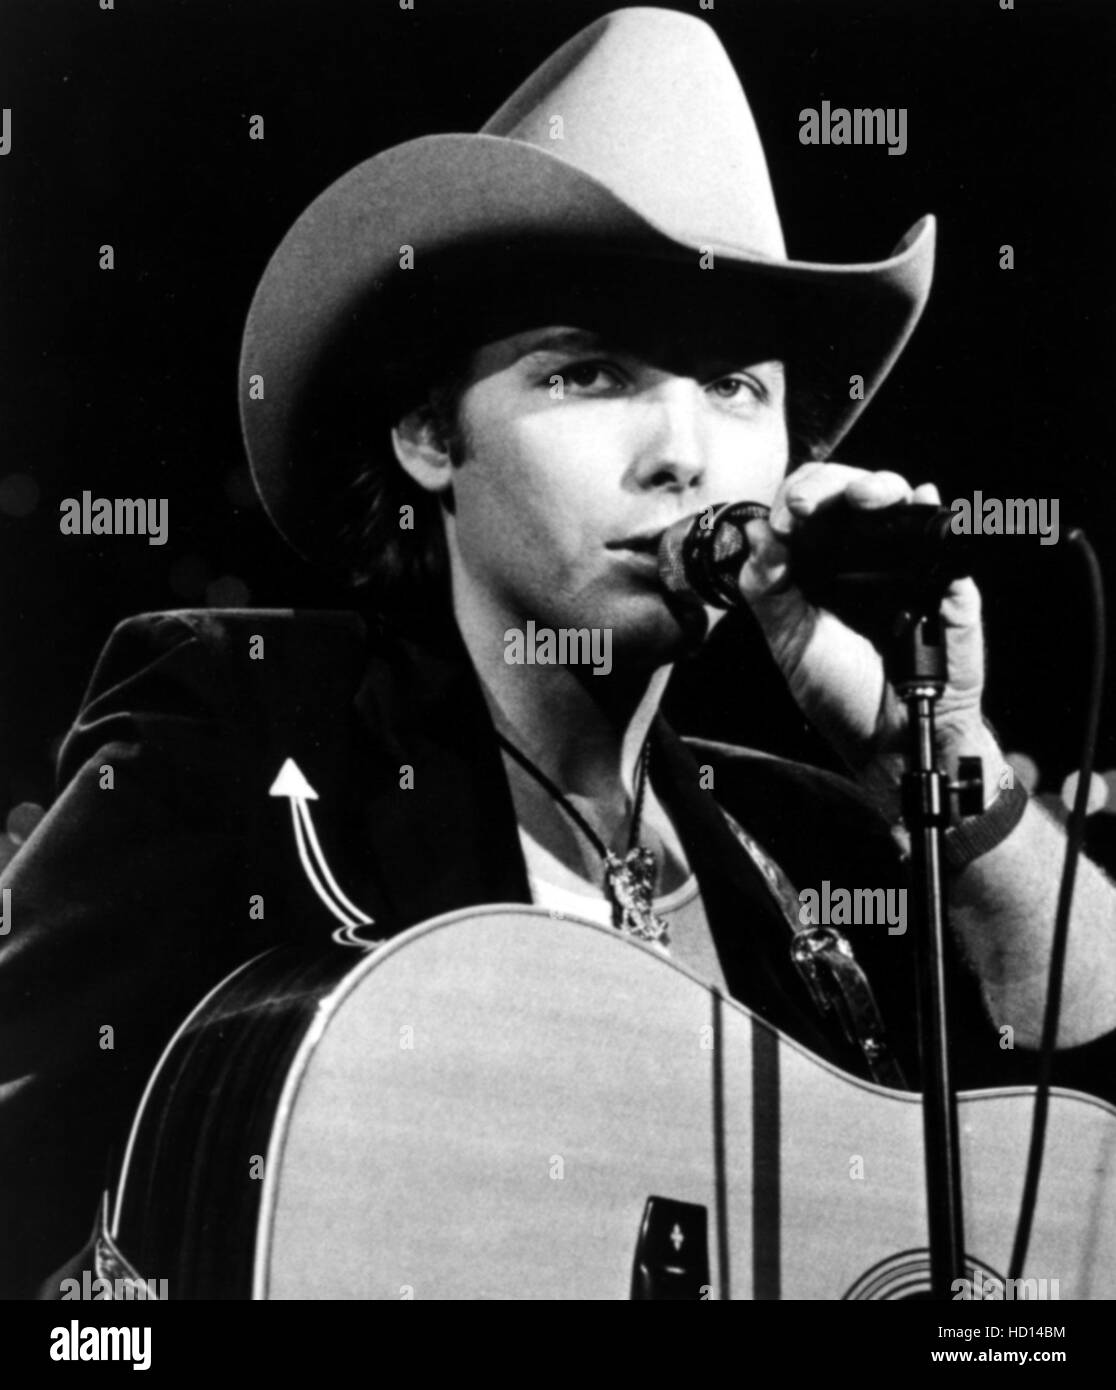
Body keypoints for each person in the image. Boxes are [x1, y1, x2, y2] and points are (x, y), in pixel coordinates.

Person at [1, 6, 1113, 1301]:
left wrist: (936, 756)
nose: (684, 452)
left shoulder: (822, 840)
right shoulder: (244, 723)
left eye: (738, 387)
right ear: (429, 433)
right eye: (592, 373)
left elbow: (1084, 1151)